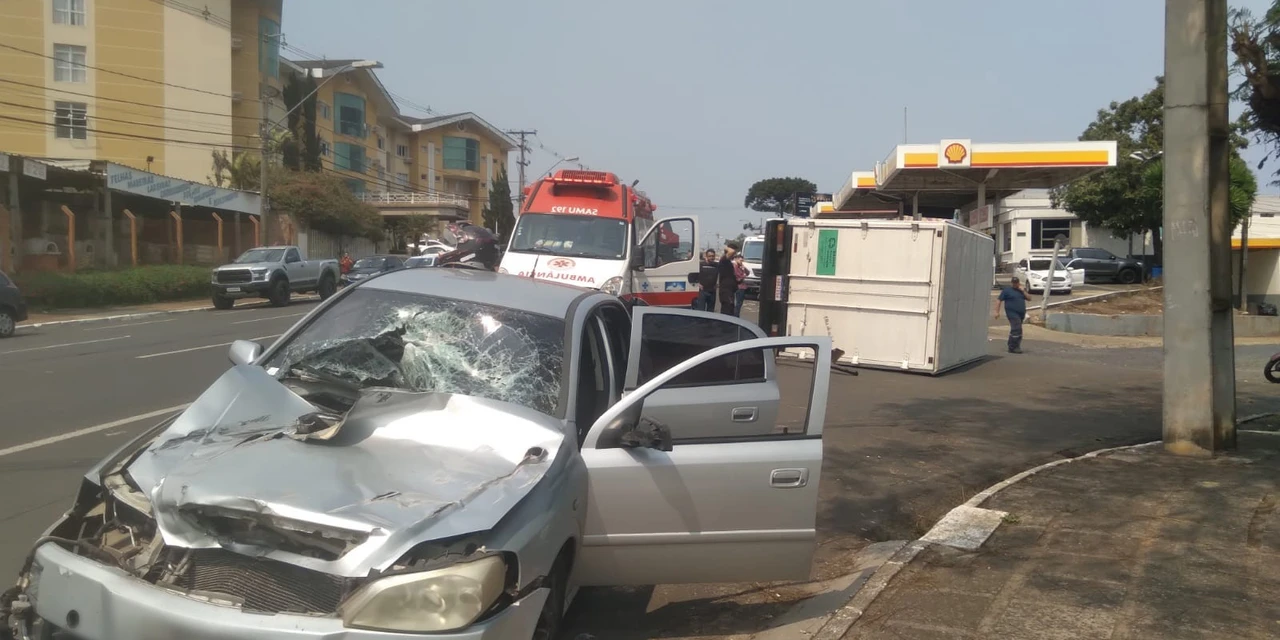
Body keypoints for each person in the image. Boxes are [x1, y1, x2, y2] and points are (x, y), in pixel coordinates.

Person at [995, 276, 1030, 354]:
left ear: (1018, 283)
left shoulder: (1021, 291)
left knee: (1017, 329)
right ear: (1011, 283)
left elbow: (1029, 298)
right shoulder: (1007, 291)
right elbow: (998, 300)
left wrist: (1023, 291)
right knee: (1016, 328)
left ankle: (1013, 345)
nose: (1015, 284)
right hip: (1012, 313)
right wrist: (997, 312)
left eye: (1016, 283)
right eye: (1013, 283)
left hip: (1021, 313)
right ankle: (1014, 347)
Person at [717, 241, 739, 315]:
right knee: (727, 311)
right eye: (734, 253)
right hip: (726, 292)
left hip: (730, 291)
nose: (734, 254)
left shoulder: (729, 262)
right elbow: (731, 251)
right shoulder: (724, 260)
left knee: (730, 310)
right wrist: (727, 247)